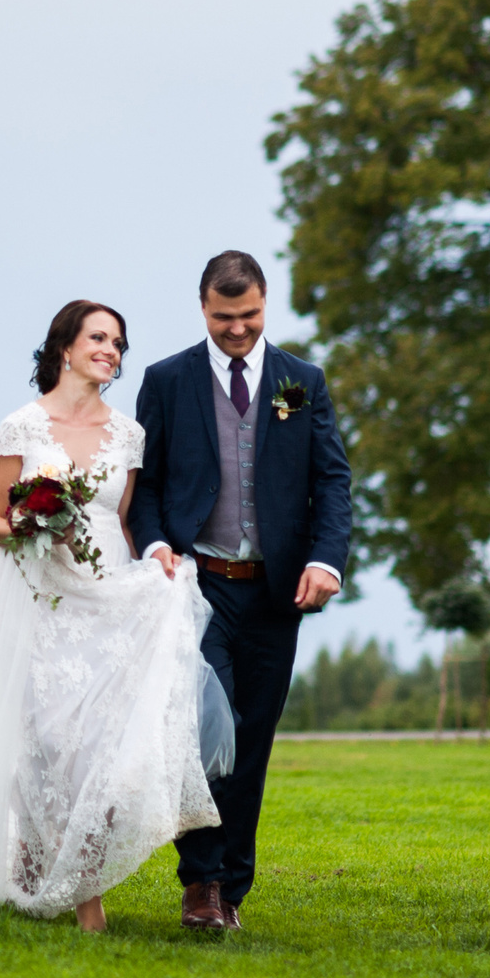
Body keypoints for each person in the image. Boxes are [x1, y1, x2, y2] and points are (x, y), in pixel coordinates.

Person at [0, 300, 220, 931]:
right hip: (35, 590)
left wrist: (158, 564)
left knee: (95, 746)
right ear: (65, 346)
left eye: (118, 343)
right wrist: (35, 524)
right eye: (98, 337)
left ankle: (55, 871)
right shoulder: (21, 427)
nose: (110, 350)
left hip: (104, 592)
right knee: (44, 736)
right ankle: (77, 897)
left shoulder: (129, 435)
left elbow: (125, 522)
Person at [126, 251, 352, 932]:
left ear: (265, 303)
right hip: (198, 589)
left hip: (277, 593)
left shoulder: (299, 381)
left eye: (249, 315)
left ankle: (232, 889)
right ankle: (200, 882)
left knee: (251, 742)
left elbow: (331, 480)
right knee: (203, 733)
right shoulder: (166, 380)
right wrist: (159, 545)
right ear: (203, 308)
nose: (237, 329)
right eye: (225, 318)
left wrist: (326, 561)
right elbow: (149, 485)